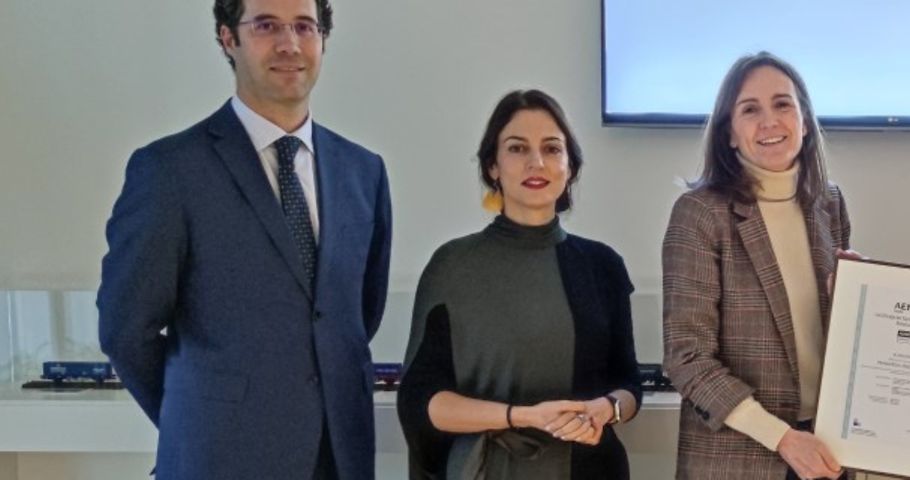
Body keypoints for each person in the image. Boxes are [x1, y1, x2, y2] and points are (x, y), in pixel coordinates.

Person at [97, 0, 391, 477]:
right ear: (228, 37)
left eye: (305, 26)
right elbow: (125, 331)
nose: (289, 44)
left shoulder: (363, 171)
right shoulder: (170, 170)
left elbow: (357, 316)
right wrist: (197, 416)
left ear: (323, 39)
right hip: (220, 456)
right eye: (266, 25)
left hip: (339, 456)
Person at [397, 89, 644, 479]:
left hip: (589, 468)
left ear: (570, 167)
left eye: (552, 149)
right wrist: (520, 416)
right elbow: (419, 400)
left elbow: (628, 383)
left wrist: (607, 409)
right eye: (517, 148)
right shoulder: (452, 266)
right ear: (492, 166)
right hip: (486, 469)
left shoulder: (602, 266)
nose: (536, 162)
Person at [662, 52, 854, 480]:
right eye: (750, 109)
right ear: (729, 133)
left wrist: (860, 298)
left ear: (804, 121)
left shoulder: (829, 202)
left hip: (825, 450)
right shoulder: (699, 213)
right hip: (739, 459)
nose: (769, 121)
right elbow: (687, 358)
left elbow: (832, 339)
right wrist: (782, 438)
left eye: (782, 104)